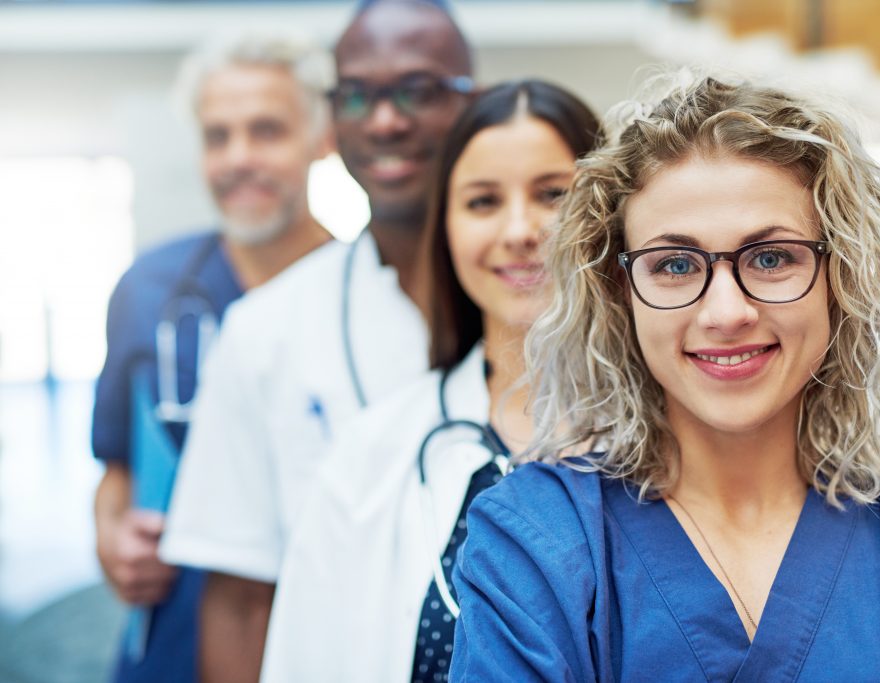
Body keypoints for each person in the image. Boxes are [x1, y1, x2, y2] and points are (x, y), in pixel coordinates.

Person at [450, 74, 880, 680]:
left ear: (840, 278)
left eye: (772, 257)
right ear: (622, 293)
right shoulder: (535, 546)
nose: (727, 313)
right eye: (674, 264)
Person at [158, 1, 475, 680]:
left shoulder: (555, 314)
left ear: (472, 104)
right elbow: (241, 600)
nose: (386, 119)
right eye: (358, 95)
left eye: (418, 90)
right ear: (334, 119)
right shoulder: (265, 329)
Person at [258, 80, 601, 683]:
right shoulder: (369, 454)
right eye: (482, 201)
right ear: (444, 229)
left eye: (552, 194)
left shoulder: (674, 441)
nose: (520, 229)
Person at [91, 29, 335, 683]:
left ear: (323, 137)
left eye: (266, 131)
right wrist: (112, 540)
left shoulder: (366, 296)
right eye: (217, 136)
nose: (238, 157)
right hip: (171, 637)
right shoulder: (150, 288)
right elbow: (115, 470)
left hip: (316, 640)